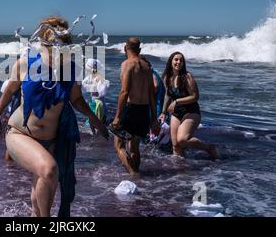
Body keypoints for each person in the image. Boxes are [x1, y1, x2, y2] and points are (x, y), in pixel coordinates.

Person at [0, 16, 109, 217]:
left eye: (62, 43)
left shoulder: (72, 69)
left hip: (52, 140)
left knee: (43, 185)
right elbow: (9, 91)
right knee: (49, 170)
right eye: (53, 42)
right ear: (43, 42)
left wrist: (94, 119)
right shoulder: (25, 63)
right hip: (20, 134)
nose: (57, 47)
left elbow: (77, 100)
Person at [111, 38, 158, 176]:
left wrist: (118, 117)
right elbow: (152, 95)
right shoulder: (147, 67)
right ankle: (137, 173)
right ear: (140, 50)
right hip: (144, 111)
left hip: (130, 110)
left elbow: (124, 92)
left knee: (119, 145)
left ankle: (134, 174)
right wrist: (154, 118)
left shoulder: (127, 64)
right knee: (134, 146)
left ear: (125, 48)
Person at [159, 52, 217, 159]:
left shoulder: (187, 76)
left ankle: (209, 148)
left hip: (191, 112)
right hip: (176, 113)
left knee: (182, 139)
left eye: (181, 60)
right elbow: (167, 95)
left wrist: (176, 102)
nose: (178, 62)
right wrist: (163, 112)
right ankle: (181, 172)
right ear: (171, 61)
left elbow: (195, 96)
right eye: (176, 59)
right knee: (176, 145)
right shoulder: (168, 77)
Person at [82, 58, 110, 125]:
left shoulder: (98, 78)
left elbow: (102, 92)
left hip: (98, 105)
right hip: (98, 103)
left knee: (94, 123)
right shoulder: (90, 77)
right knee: (100, 121)